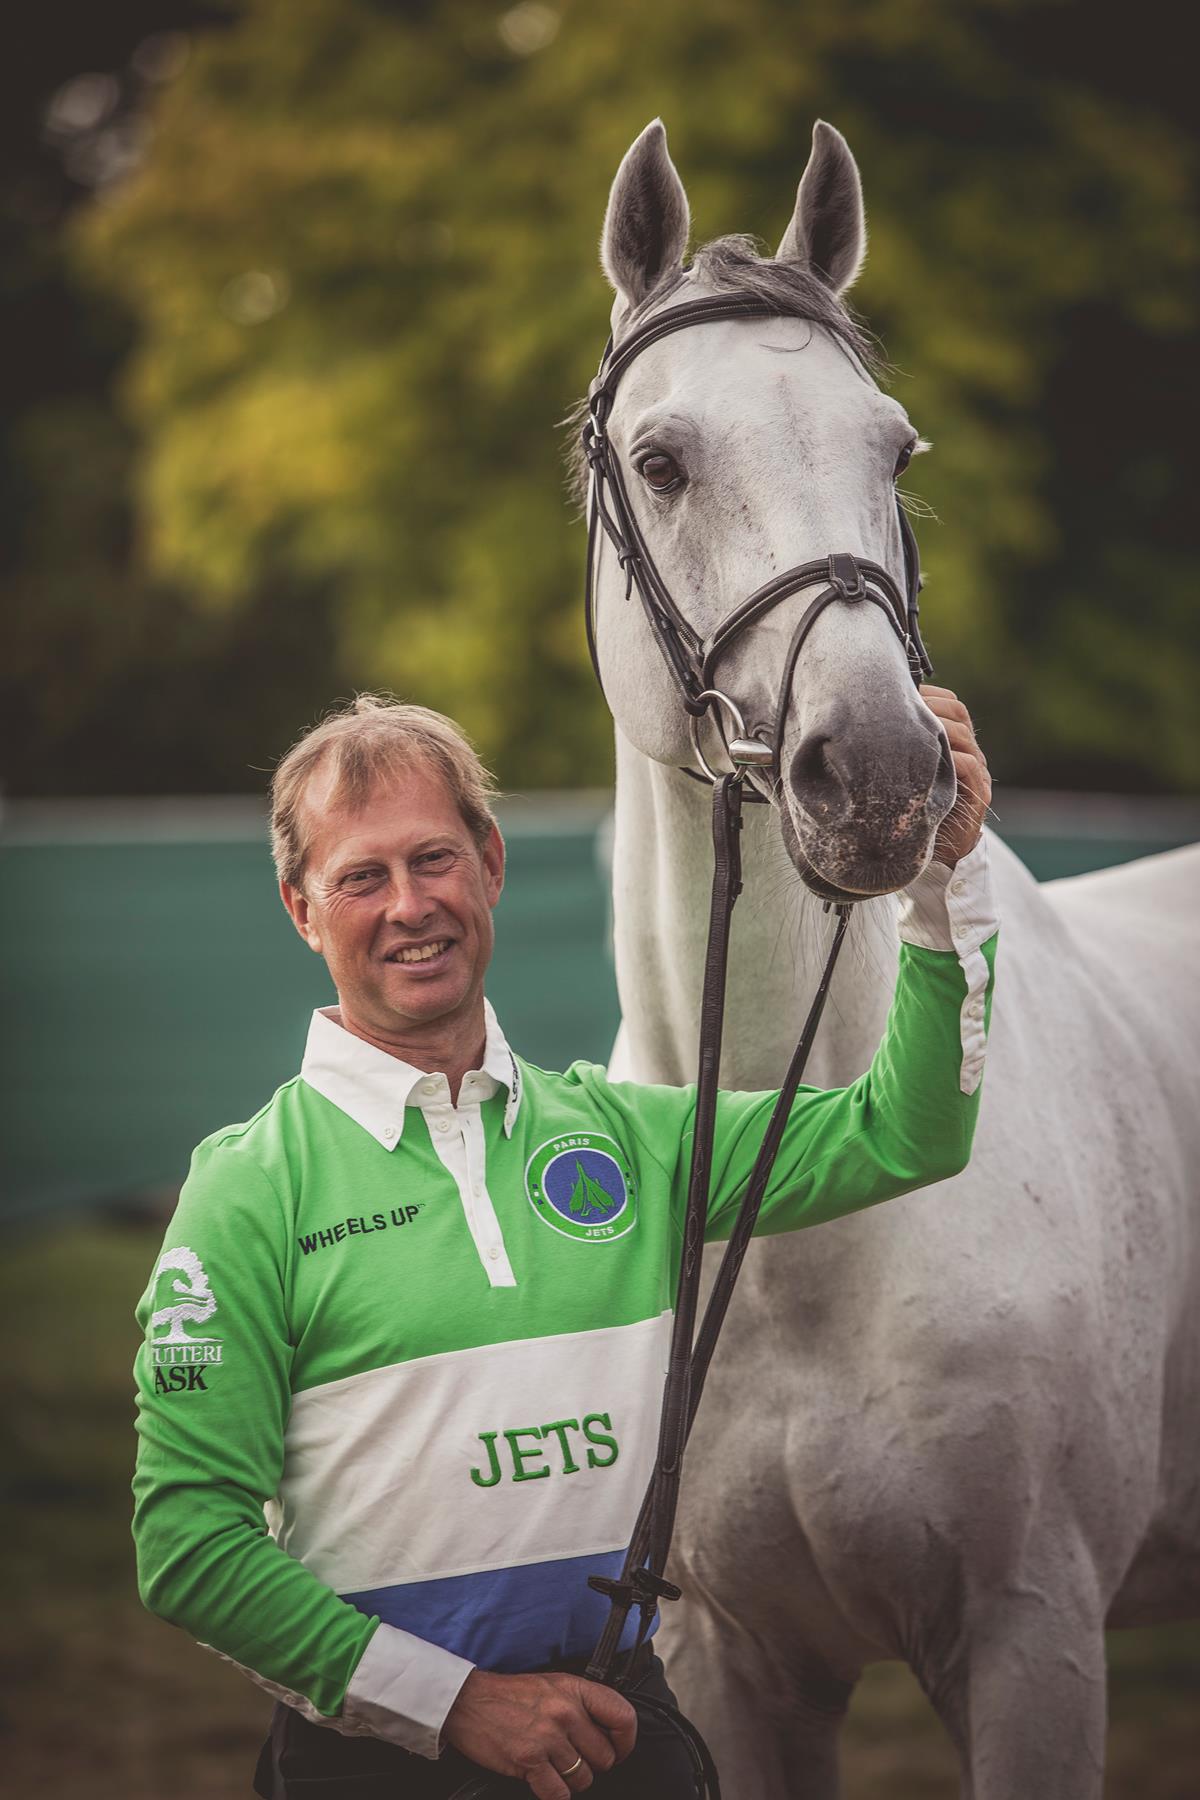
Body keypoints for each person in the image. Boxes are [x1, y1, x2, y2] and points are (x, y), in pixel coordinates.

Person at [132, 691, 997, 1800]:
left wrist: (942, 885)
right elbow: (189, 1544)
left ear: (490, 863)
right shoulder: (246, 1190)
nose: (409, 905)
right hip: (375, 1758)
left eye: (435, 858)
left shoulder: (627, 1133)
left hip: (616, 1726)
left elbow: (908, 1130)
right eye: (361, 876)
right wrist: (454, 1708)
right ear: (302, 908)